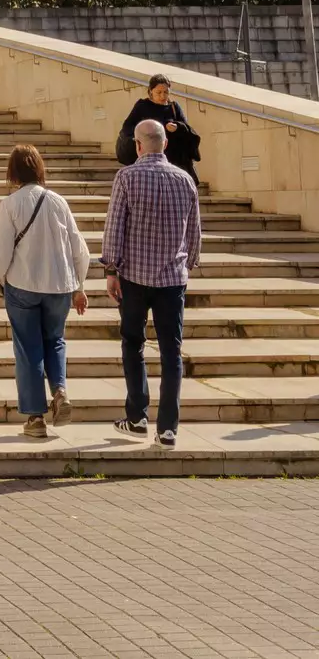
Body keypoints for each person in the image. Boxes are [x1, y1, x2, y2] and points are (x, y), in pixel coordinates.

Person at [101, 116, 202, 447]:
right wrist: (189, 263)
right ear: (166, 144)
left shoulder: (127, 176)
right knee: (172, 351)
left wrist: (111, 269)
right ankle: (168, 428)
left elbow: (116, 225)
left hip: (134, 277)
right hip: (173, 278)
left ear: (138, 145)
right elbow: (194, 231)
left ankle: (137, 417)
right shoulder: (185, 179)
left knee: (133, 343)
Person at [0, 144, 91, 438]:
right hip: (60, 286)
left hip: (23, 285)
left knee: (28, 348)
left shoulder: (11, 205)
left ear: (13, 172)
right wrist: (79, 286)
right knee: (55, 339)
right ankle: (60, 390)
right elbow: (79, 249)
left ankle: (35, 418)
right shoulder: (58, 202)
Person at [118, 75, 201, 185]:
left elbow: (188, 130)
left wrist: (177, 127)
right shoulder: (142, 106)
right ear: (151, 91)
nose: (163, 96)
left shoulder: (174, 107)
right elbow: (127, 128)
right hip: (149, 158)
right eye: (159, 92)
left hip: (174, 160)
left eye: (166, 92)